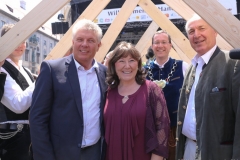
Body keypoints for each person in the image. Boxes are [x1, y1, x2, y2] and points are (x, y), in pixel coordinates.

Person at [30, 19, 108, 160]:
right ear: (73, 42)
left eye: (90, 40)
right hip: (60, 154)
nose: (84, 44)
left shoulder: (105, 73)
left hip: (95, 152)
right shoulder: (52, 69)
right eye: (80, 39)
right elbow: (37, 118)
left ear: (98, 45)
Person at [176, 14, 240, 159]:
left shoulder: (232, 64)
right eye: (191, 31)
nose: (196, 35)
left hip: (217, 154)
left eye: (202, 28)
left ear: (215, 31)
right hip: (189, 149)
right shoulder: (192, 67)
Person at [104, 41, 170, 160]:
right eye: (121, 61)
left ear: (138, 64)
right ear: (114, 65)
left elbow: (162, 128)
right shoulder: (108, 92)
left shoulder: (151, 90)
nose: (127, 66)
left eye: (132, 60)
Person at [144, 30, 189, 160]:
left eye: (164, 42)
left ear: (170, 45)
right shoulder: (143, 70)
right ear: (152, 46)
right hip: (151, 128)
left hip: (175, 128)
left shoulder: (182, 66)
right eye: (156, 42)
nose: (160, 45)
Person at [0, 24, 35, 160]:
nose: (20, 45)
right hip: (12, 138)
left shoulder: (26, 71)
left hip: (29, 137)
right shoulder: (2, 69)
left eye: (23, 41)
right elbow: (18, 104)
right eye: (15, 41)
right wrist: (41, 81)